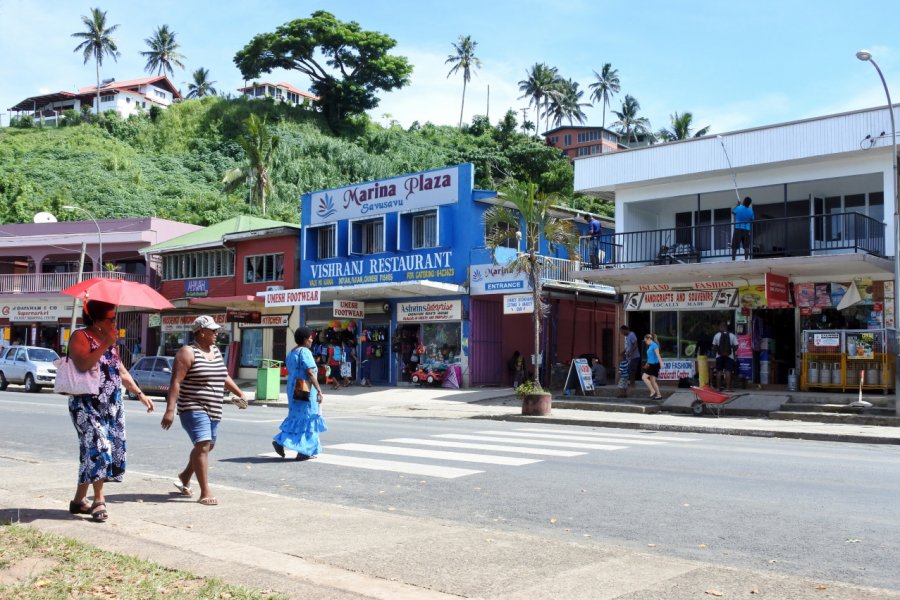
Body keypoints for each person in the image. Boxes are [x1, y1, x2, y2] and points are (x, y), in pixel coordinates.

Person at [67, 300, 154, 523]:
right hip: (86, 404)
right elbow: (82, 364)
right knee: (99, 447)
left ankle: (78, 501)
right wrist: (105, 344)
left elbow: (121, 372)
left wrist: (140, 394)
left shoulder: (111, 343)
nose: (114, 322)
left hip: (112, 405)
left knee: (96, 451)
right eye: (111, 319)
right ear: (96, 320)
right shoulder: (80, 336)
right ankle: (98, 500)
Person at [161, 315, 247, 506]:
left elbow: (223, 375)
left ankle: (184, 476)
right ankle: (205, 491)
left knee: (208, 446)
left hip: (214, 407)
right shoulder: (187, 352)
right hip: (192, 406)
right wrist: (170, 409)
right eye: (213, 330)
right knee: (203, 444)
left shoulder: (215, 351)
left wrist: (239, 393)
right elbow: (175, 382)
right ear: (201, 332)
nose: (217, 333)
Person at [272, 327, 327, 461]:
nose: (312, 339)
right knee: (309, 418)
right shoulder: (305, 352)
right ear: (304, 339)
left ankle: (281, 441)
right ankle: (303, 451)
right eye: (310, 337)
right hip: (305, 388)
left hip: (293, 388)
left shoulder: (291, 352)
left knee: (295, 417)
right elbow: (310, 372)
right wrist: (319, 390)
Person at [712, 321, 738, 391]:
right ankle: (728, 388)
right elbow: (736, 346)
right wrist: (731, 350)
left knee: (719, 371)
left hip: (719, 356)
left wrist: (718, 352)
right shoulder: (732, 335)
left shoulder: (716, 335)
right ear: (726, 327)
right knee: (728, 371)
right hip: (729, 356)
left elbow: (714, 346)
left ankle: (718, 388)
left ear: (720, 327)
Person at [731, 196, 754, 260]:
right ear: (749, 204)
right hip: (746, 229)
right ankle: (746, 259)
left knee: (734, 246)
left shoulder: (739, 208)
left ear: (744, 201)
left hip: (738, 228)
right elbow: (752, 220)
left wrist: (737, 205)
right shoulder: (751, 211)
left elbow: (733, 212)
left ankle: (733, 260)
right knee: (746, 246)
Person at [641, 333, 662, 400]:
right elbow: (650, 356)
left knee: (644, 377)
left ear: (649, 339)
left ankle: (652, 391)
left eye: (646, 341)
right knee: (653, 381)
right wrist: (647, 363)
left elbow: (658, 355)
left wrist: (661, 363)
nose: (645, 342)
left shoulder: (654, 345)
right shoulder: (650, 346)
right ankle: (659, 395)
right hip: (650, 364)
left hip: (654, 365)